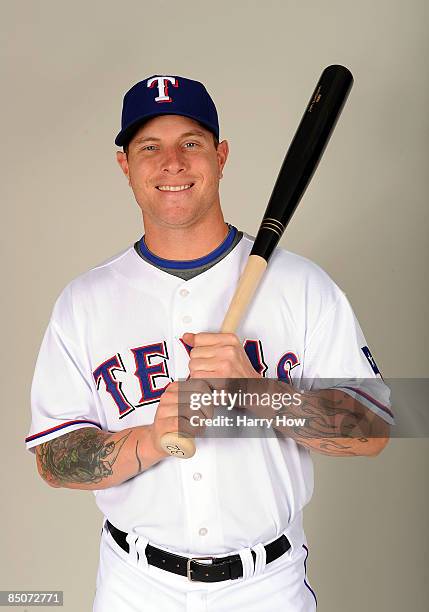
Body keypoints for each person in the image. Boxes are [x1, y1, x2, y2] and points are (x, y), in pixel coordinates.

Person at [25, 75, 394, 611]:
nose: (172, 162)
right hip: (136, 587)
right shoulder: (85, 302)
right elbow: (54, 459)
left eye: (191, 143)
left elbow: (375, 431)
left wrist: (260, 394)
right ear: (126, 166)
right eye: (149, 147)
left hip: (268, 586)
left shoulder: (302, 286)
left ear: (220, 156)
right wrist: (152, 439)